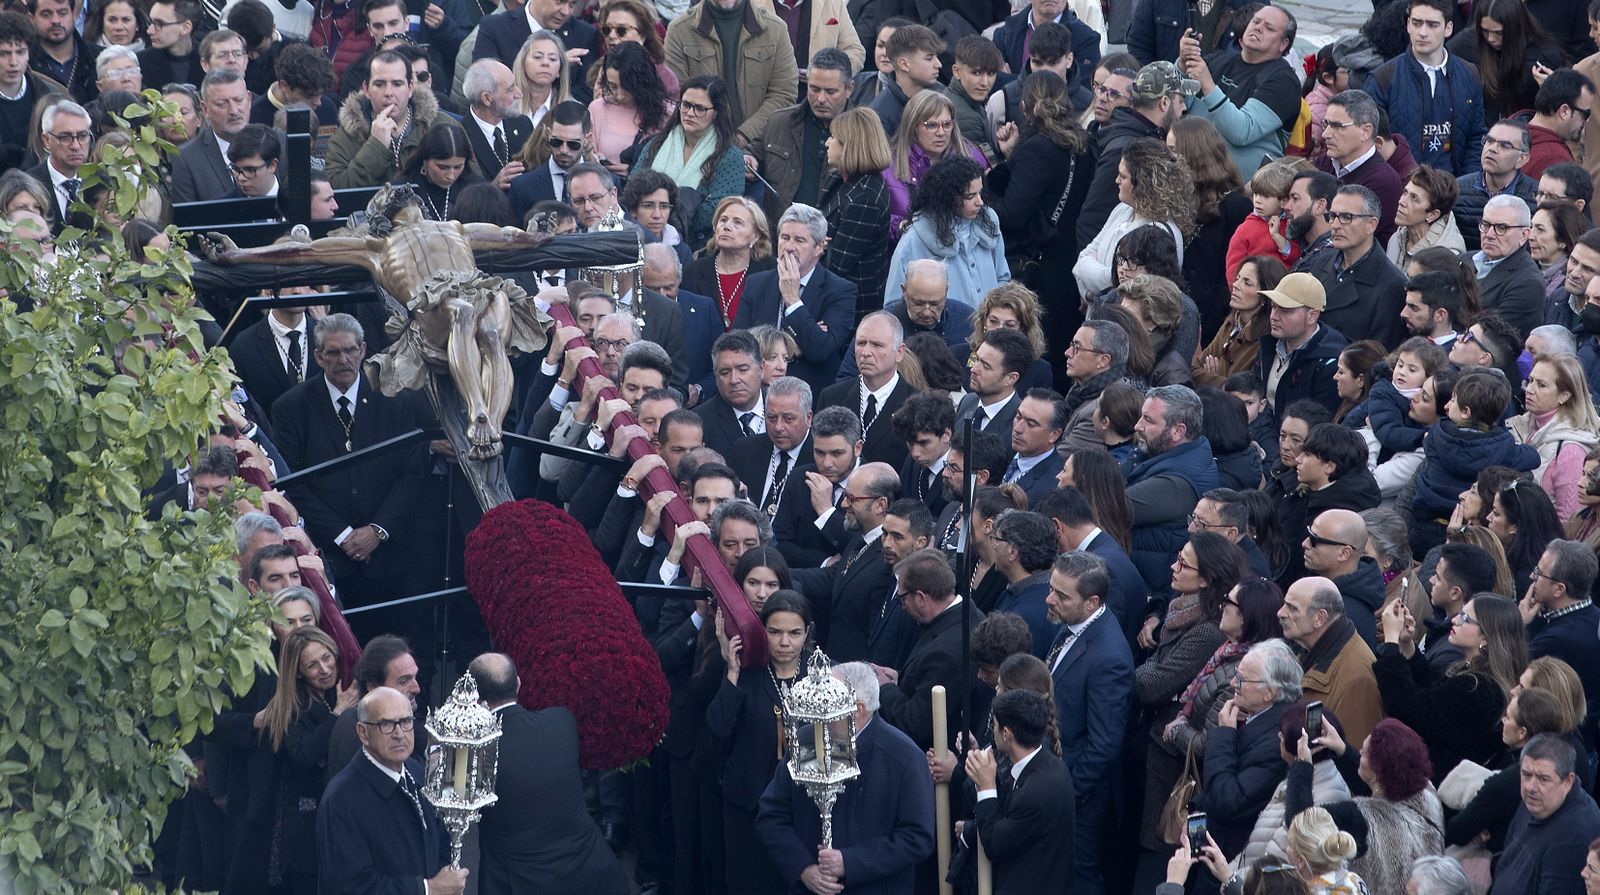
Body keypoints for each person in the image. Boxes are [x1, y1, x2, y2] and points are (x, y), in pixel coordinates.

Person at [270, 314, 424, 614]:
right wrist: (343, 535)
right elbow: (292, 481)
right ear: (318, 356)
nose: (344, 359)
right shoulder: (290, 408)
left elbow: (411, 474)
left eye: (350, 350)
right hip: (327, 554)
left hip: (389, 557)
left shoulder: (394, 401)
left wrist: (376, 531)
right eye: (333, 352)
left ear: (363, 349)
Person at [755, 661, 935, 895]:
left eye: (829, 696)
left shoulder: (904, 757)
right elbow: (771, 814)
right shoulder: (805, 741)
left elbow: (917, 838)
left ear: (857, 708)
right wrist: (803, 869)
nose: (819, 705)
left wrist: (849, 862)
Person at [467, 652, 626, 895]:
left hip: (518, 881)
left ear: (472, 696)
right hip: (588, 872)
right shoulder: (562, 721)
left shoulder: (473, 750)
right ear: (518, 683)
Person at [705, 590, 812, 894]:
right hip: (747, 804)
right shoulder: (748, 672)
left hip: (800, 809)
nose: (784, 642)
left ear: (807, 633)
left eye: (794, 633)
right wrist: (732, 672)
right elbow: (717, 728)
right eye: (775, 631)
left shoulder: (821, 675)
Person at [1043, 550, 1134, 895]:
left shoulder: (1108, 657)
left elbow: (1104, 745)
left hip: (1080, 799)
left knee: (1078, 877)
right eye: (1052, 588)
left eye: (1061, 595)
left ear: (1092, 602)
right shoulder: (1072, 625)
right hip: (1059, 780)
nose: (1049, 599)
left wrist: (1066, 790)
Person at [316, 687, 464, 894]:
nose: (399, 734)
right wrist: (428, 889)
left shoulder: (415, 771)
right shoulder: (341, 800)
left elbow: (439, 839)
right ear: (363, 733)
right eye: (386, 724)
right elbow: (351, 887)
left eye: (405, 722)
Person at [1376, 591, 1524, 782]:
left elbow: (1405, 708)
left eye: (1466, 619)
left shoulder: (1479, 689)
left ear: (1485, 639)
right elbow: (1432, 691)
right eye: (1460, 614)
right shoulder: (1476, 673)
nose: (1455, 620)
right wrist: (1406, 644)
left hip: (1442, 790)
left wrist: (1391, 641)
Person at [988, 70, 1091, 316]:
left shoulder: (1036, 149)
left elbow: (1012, 214)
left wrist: (986, 193)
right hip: (1068, 260)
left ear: (1023, 106)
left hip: (1040, 269)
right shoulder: (1081, 143)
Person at [964, 687, 1077, 895]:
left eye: (995, 726)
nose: (992, 731)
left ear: (1006, 734)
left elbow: (995, 845)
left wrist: (986, 789)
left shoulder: (1034, 794)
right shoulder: (1050, 764)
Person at [1076, 60, 1196, 251]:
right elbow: (1091, 221)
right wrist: (1109, 275)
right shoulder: (1127, 149)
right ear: (1164, 103)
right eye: (1180, 101)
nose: (1183, 108)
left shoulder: (1142, 138)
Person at [1201, 639, 1304, 857]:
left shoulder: (1277, 742)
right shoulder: (1262, 716)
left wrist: (1224, 736)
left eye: (1241, 680)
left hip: (1231, 855)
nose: (1232, 684)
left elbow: (1229, 801)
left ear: (1269, 692)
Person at [1176, 4, 1303, 178]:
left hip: (1241, 192)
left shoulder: (1284, 81)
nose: (1258, 27)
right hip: (1191, 174)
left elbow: (1241, 132)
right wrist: (1182, 64)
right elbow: (1175, 103)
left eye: (1269, 28)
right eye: (1256, 21)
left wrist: (1208, 85)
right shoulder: (1218, 60)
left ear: (1283, 44)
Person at [1365, 0, 1488, 175]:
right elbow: (1372, 143)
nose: (1422, 32)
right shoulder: (1382, 78)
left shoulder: (1469, 74)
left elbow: (1476, 137)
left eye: (1432, 25)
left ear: (1448, 28)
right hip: (1403, 189)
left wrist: (1464, 187)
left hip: (1453, 190)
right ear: (1408, 25)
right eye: (1416, 23)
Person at [1126, 385, 1222, 597]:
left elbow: (1110, 506)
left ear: (1178, 431)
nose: (1137, 426)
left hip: (1150, 591)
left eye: (1148, 420)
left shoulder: (1176, 483)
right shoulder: (1159, 452)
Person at [662, 0, 797, 145]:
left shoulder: (775, 29)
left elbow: (784, 94)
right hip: (699, 146)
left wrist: (744, 135)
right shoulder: (679, 30)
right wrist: (714, 143)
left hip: (760, 146)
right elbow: (675, 96)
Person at [1074, 137, 1194, 298]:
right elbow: (1082, 260)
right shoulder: (1122, 210)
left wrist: (1093, 290)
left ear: (1143, 182)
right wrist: (1093, 290)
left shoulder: (1157, 231)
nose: (1116, 180)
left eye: (1123, 177)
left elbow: (1121, 283)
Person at [632, 76, 745, 246]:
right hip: (645, 235)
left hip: (700, 243)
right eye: (686, 105)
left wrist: (663, 215)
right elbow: (633, 186)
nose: (690, 113)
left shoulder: (730, 156)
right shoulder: (656, 144)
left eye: (700, 108)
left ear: (716, 112)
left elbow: (721, 208)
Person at [886, 155, 1008, 309]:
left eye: (980, 193)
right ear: (948, 197)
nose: (980, 202)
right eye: (970, 196)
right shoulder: (915, 238)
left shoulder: (989, 220)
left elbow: (1002, 277)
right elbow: (894, 304)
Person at [1490, 733, 1600, 895]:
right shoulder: (1540, 801)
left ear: (1568, 780)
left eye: (1543, 779)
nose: (1531, 787)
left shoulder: (1572, 840)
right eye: (1526, 775)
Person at [1278, 577, 1382, 746]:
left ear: (1319, 618)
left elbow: (1353, 757)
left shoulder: (1357, 680)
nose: (1280, 613)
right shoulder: (1310, 651)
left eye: (1292, 608)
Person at [751, 48, 852, 219]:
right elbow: (754, 152)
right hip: (780, 235)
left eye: (830, 92)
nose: (820, 98)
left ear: (849, 89)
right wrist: (749, 159)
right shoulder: (780, 122)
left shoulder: (864, 133)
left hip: (835, 237)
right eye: (814, 89)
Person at [326, 50, 444, 188]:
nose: (389, 93)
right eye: (379, 84)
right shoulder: (347, 134)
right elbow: (337, 191)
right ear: (366, 89)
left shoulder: (440, 126)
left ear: (410, 87)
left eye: (397, 84)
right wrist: (376, 146)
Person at [881, 89, 988, 242]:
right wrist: (901, 226)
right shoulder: (887, 165)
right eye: (931, 125)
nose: (941, 132)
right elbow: (873, 218)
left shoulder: (971, 156)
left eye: (946, 124)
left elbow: (987, 208)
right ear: (913, 126)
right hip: (909, 254)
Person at [815, 312, 916, 468]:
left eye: (877, 345)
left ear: (899, 352)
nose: (866, 353)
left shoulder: (916, 404)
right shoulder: (831, 397)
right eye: (861, 343)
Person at [818, 106, 892, 314]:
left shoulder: (865, 197)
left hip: (852, 305)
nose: (827, 143)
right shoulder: (839, 178)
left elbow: (837, 264)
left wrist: (813, 243)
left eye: (833, 137)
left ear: (850, 146)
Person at [1525, 539, 1600, 736]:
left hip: (1559, 740)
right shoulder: (1595, 615)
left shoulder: (1558, 639)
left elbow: (1513, 674)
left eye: (1539, 573)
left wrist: (1520, 625)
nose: (1531, 576)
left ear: (1559, 589)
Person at [1511, 354, 1600, 519]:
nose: (1529, 389)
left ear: (1564, 396)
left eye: (1541, 385)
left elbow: (1568, 519)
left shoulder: (1571, 450)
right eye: (1530, 381)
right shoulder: (1522, 426)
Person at [683, 196, 775, 330]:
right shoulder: (693, 271)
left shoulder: (771, 272)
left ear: (755, 236)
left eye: (738, 222)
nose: (726, 227)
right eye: (723, 220)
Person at [589, 41, 671, 174]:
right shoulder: (597, 109)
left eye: (627, 87)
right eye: (613, 86)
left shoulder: (668, 113)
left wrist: (635, 171)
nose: (619, 95)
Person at [460, 58, 533, 187]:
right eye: (510, 89)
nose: (519, 94)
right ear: (487, 99)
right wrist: (493, 187)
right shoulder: (460, 137)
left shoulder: (523, 124)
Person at [402, 122, 484, 221]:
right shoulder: (402, 191)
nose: (451, 176)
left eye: (458, 167)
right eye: (442, 167)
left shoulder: (476, 189)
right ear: (425, 159)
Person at [1525, 69, 1596, 180]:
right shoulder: (1554, 159)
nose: (1586, 121)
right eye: (1585, 114)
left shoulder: (1510, 131)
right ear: (1564, 111)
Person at [1390, 166, 1466, 267]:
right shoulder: (1397, 237)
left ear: (1433, 215)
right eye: (1405, 192)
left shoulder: (1445, 259)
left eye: (1414, 199)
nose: (1401, 202)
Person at [1284, 806, 1369, 893]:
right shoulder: (1355, 881)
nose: (1286, 848)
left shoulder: (1303, 892)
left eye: (1289, 844)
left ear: (1301, 861)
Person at [1532, 203, 1589, 312]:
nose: (1530, 236)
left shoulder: (1570, 280)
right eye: (1531, 227)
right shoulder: (1524, 268)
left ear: (1563, 240)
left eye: (1540, 230)